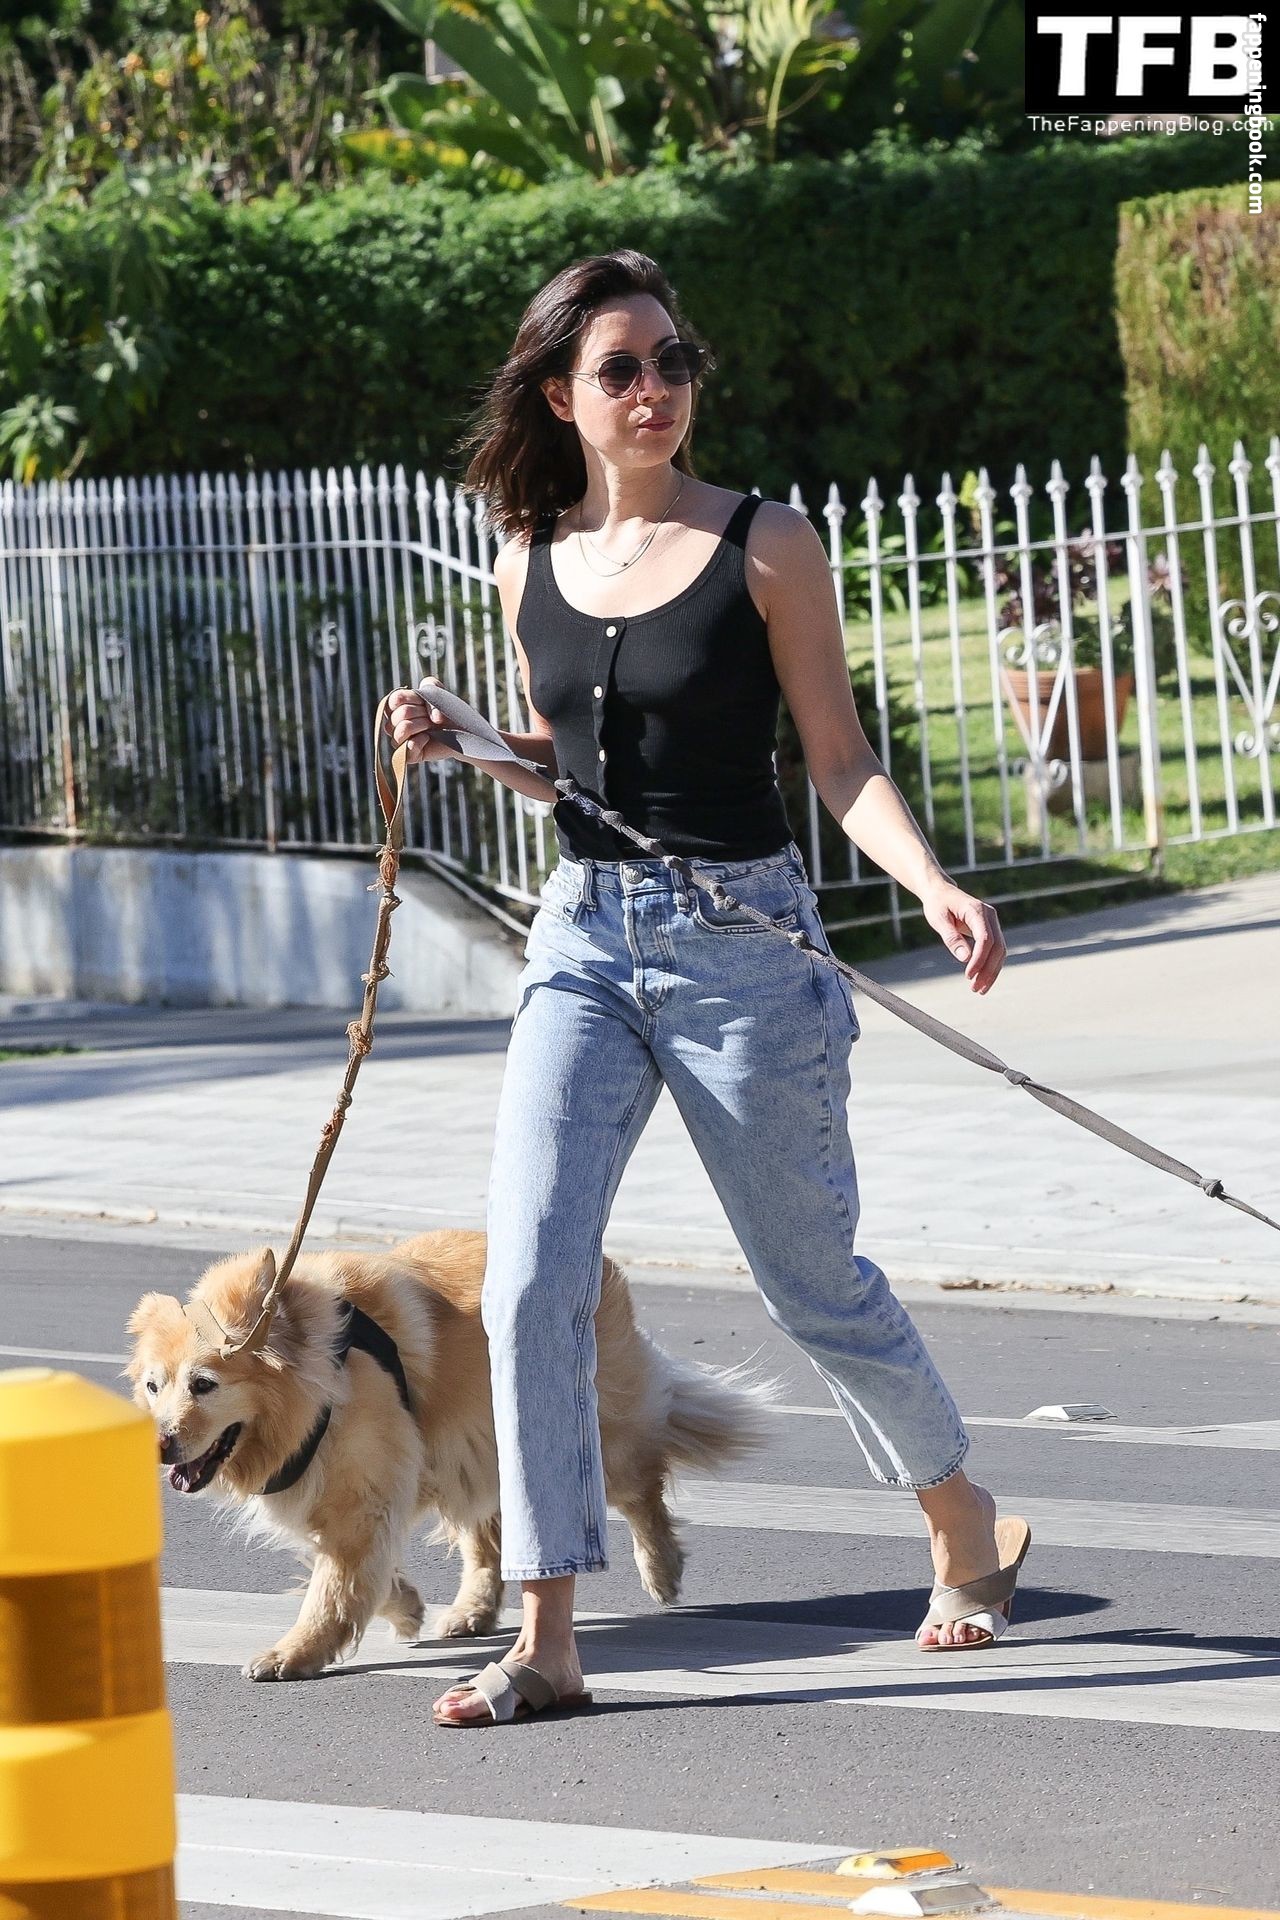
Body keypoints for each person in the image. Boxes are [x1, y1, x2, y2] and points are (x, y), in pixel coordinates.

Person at [385, 249, 1031, 1730]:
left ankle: (962, 1518)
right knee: (529, 1277)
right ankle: (550, 1636)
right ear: (561, 396)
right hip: (583, 944)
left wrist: (931, 883)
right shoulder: (528, 558)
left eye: (674, 361)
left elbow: (839, 758)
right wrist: (463, 735)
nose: (657, 389)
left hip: (746, 949)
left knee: (812, 1280)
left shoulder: (766, 542)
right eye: (621, 369)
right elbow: (570, 764)